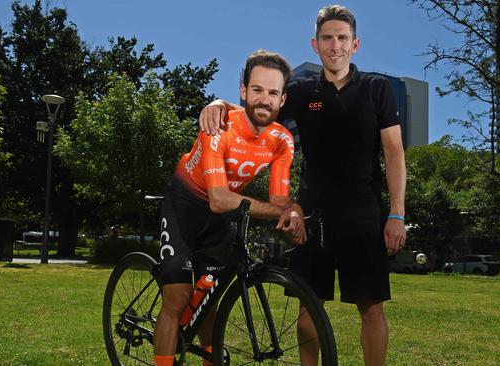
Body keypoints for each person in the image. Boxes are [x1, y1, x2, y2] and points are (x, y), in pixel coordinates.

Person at [199, 5, 407, 365]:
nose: (335, 45)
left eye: (342, 38)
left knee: (371, 308)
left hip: (364, 212)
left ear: (354, 44)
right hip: (312, 214)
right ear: (315, 44)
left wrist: (397, 214)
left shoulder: (377, 89)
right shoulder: (299, 91)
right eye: (328, 37)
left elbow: (394, 155)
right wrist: (221, 103)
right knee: (309, 304)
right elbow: (259, 111)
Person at [153, 50, 306, 366]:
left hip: (222, 212)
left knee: (209, 295)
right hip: (186, 204)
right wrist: (280, 211)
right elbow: (219, 199)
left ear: (282, 99)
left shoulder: (282, 141)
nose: (264, 99)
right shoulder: (218, 125)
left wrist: (291, 208)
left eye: (273, 92)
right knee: (179, 296)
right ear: (243, 90)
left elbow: (278, 200)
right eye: (257, 90)